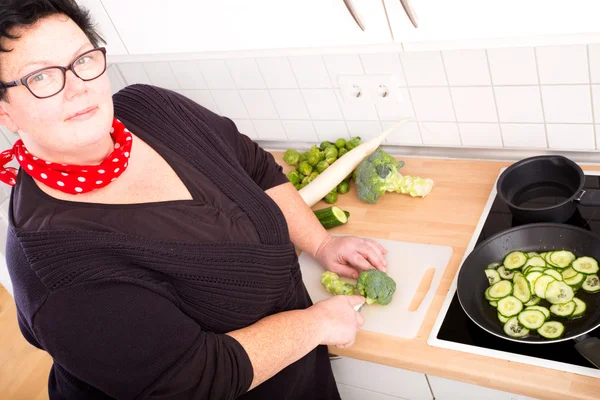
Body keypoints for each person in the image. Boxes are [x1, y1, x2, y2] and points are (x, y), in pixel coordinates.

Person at [0, 1, 389, 399]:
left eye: (83, 59)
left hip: (298, 370)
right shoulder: (52, 270)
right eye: (42, 77)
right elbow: (193, 379)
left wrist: (322, 243)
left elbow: (253, 167)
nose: (79, 86)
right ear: (5, 111)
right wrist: (315, 326)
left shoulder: (150, 108)